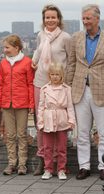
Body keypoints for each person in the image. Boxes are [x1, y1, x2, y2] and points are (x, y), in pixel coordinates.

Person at [65, 4, 104, 180]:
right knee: (82, 132)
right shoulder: (76, 38)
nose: (85, 21)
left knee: (103, 132)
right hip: (80, 90)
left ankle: (103, 166)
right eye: (83, 18)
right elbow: (72, 63)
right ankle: (84, 166)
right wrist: (67, 86)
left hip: (101, 90)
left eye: (88, 18)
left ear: (97, 18)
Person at [32, 4, 71, 176]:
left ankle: (58, 162)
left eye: (53, 17)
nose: (50, 20)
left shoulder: (65, 37)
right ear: (43, 20)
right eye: (47, 17)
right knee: (41, 122)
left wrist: (66, 83)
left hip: (59, 84)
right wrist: (33, 61)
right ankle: (43, 160)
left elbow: (70, 61)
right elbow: (38, 53)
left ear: (59, 19)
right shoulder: (41, 35)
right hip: (41, 82)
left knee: (59, 122)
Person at [0, 34, 34, 175]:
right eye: (4, 47)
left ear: (16, 47)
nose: (4, 50)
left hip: (22, 103)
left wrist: (31, 104)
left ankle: (22, 164)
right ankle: (11, 163)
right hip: (7, 103)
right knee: (10, 135)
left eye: (7, 47)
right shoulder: (4, 64)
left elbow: (30, 84)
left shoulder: (27, 62)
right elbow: (1, 85)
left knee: (22, 134)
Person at [38, 63, 76, 180]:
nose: (55, 77)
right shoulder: (44, 89)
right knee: (47, 147)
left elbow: (69, 106)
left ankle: (61, 169)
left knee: (61, 147)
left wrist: (71, 120)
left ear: (61, 75)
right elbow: (41, 106)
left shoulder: (66, 89)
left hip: (61, 119)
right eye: (52, 74)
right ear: (49, 75)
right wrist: (40, 121)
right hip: (48, 119)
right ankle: (48, 169)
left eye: (57, 74)